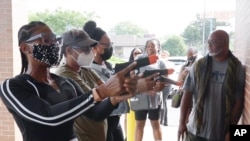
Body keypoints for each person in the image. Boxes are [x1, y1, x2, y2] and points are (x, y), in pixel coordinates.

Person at [0, 21, 138, 141]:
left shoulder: (66, 83)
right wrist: (99, 93)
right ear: (25, 48)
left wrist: (115, 98)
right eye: (46, 40)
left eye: (55, 40)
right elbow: (48, 117)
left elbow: (95, 114)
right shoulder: (12, 87)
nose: (54, 45)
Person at [54, 29, 135, 141]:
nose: (91, 51)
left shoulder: (85, 70)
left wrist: (134, 83)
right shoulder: (65, 75)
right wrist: (113, 96)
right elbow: (96, 105)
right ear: (68, 50)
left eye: (90, 48)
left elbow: (108, 88)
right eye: (85, 48)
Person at [178, 30, 245, 141]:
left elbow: (238, 103)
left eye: (213, 42)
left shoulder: (236, 68)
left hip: (220, 134)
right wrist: (181, 123)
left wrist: (231, 131)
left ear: (225, 43)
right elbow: (187, 94)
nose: (208, 45)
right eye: (208, 41)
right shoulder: (198, 66)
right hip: (195, 131)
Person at [84, 20, 128, 141]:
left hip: (115, 117)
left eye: (111, 44)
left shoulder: (108, 66)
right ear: (96, 47)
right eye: (107, 45)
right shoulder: (89, 70)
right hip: (104, 120)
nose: (110, 48)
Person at [134, 38, 167, 141]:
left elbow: (165, 80)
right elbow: (131, 75)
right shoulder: (139, 59)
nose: (150, 48)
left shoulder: (161, 62)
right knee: (139, 124)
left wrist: (159, 86)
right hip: (140, 97)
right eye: (148, 46)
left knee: (155, 123)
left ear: (158, 48)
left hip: (155, 97)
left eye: (153, 46)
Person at [124, 47, 143, 141]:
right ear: (132, 54)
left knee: (138, 120)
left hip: (141, 96)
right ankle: (127, 136)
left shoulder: (144, 66)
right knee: (127, 117)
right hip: (129, 94)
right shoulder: (128, 66)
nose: (137, 55)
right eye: (135, 53)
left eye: (140, 53)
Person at [159, 50, 175, 126]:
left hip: (167, 85)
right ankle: (164, 121)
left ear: (168, 56)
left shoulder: (170, 64)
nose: (163, 56)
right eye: (162, 55)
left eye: (164, 55)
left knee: (162, 101)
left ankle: (162, 120)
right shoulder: (159, 63)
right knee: (163, 102)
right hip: (160, 84)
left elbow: (171, 75)